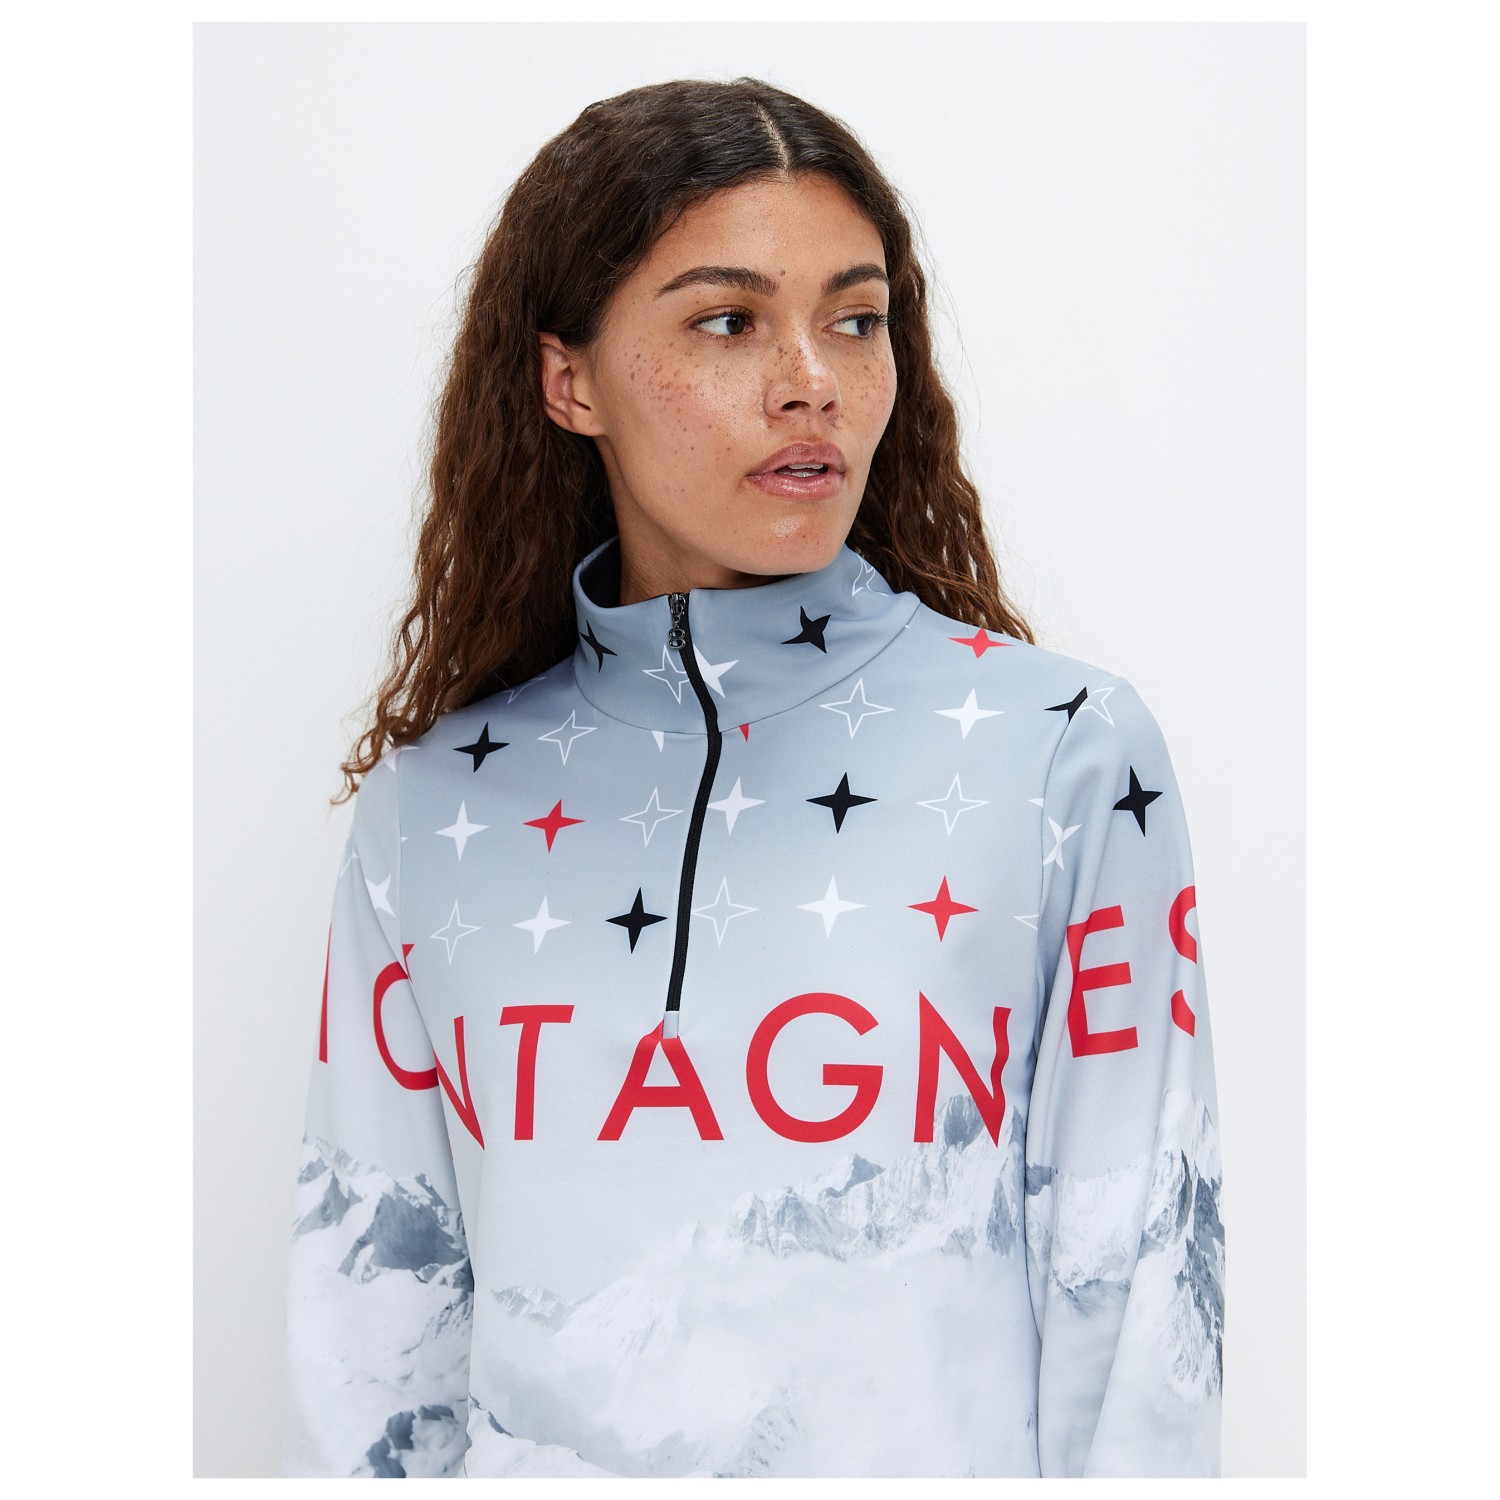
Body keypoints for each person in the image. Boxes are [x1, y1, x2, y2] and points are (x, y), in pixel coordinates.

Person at [283, 77, 1224, 1479]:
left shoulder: (1058, 754)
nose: (812, 380)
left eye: (856, 318)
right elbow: (370, 1344)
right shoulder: (435, 811)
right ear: (569, 381)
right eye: (728, 322)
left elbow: (1142, 1305)